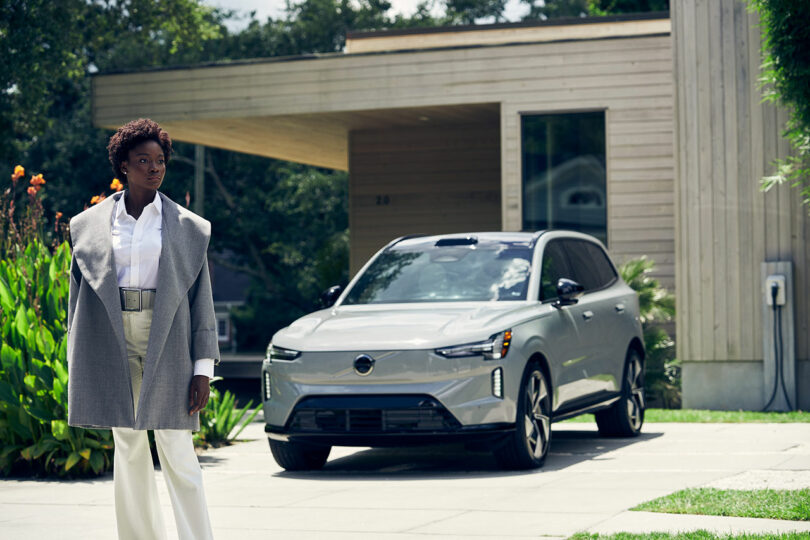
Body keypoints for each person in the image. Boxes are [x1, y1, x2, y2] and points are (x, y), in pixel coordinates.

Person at [67, 118, 218, 540]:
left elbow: (200, 299)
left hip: (167, 336)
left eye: (160, 161)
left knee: (177, 447)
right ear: (123, 165)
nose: (154, 168)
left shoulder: (188, 226)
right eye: (143, 160)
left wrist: (202, 368)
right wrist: (77, 359)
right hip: (112, 338)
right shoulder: (88, 226)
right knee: (129, 447)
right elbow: (75, 302)